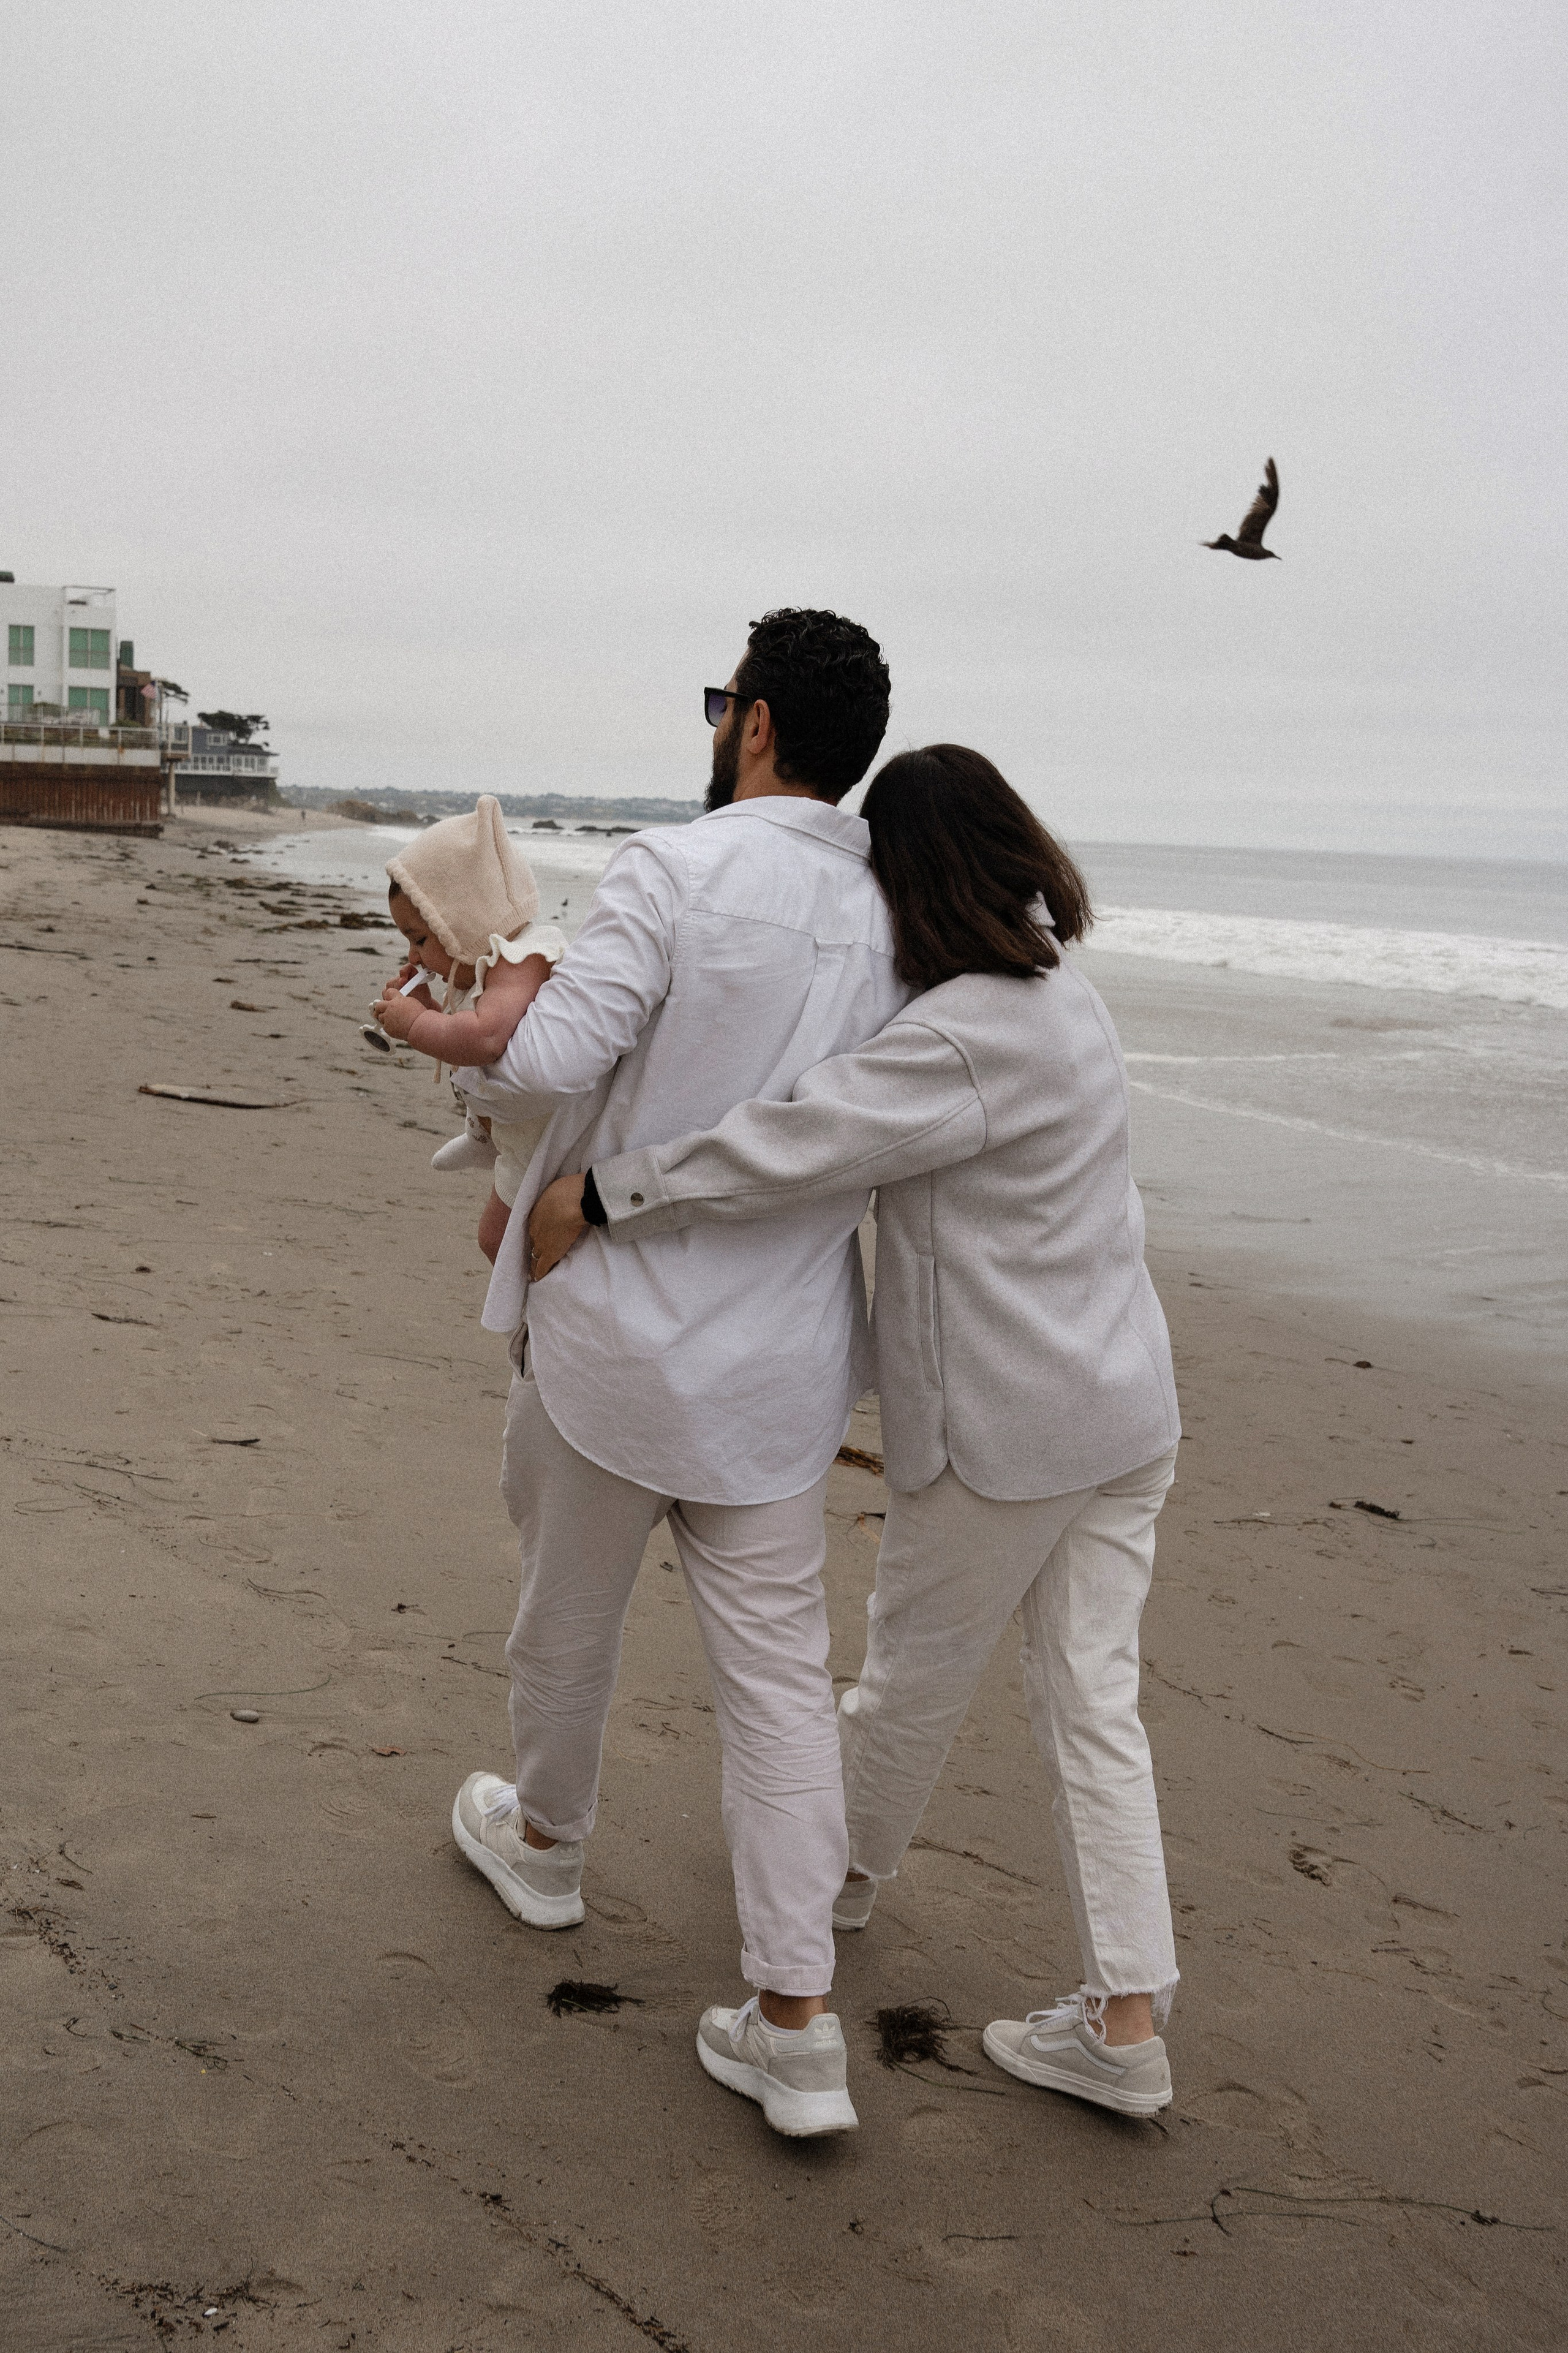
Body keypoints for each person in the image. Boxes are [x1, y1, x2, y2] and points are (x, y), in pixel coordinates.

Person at [527, 744, 1185, 2120]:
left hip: (1014, 1428)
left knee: (902, 1683)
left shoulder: (962, 1034)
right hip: (1126, 1408)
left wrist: (605, 1193)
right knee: (1092, 1708)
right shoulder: (1069, 993)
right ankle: (1120, 2025)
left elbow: (790, 1141)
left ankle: (826, 1899)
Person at [445, 611, 907, 2139]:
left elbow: (538, 1063)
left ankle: (550, 1842)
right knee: (779, 1683)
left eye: (725, 703)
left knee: (564, 1611)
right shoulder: (898, 914)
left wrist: (438, 1026)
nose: (719, 725)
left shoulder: (674, 867)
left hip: (612, 1333)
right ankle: (793, 2018)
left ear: (756, 723)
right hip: (779, 1369)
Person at [373, 798, 569, 1263]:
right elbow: (459, 1039)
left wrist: (419, 1024)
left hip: (545, 1139)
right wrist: (425, 1009)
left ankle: (540, 1309)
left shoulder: (521, 961)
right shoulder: (480, 967)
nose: (414, 956)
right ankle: (485, 1141)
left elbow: (484, 1039)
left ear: (463, 919)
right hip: (513, 1121)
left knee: (493, 1239)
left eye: (421, 938)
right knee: (480, 1092)